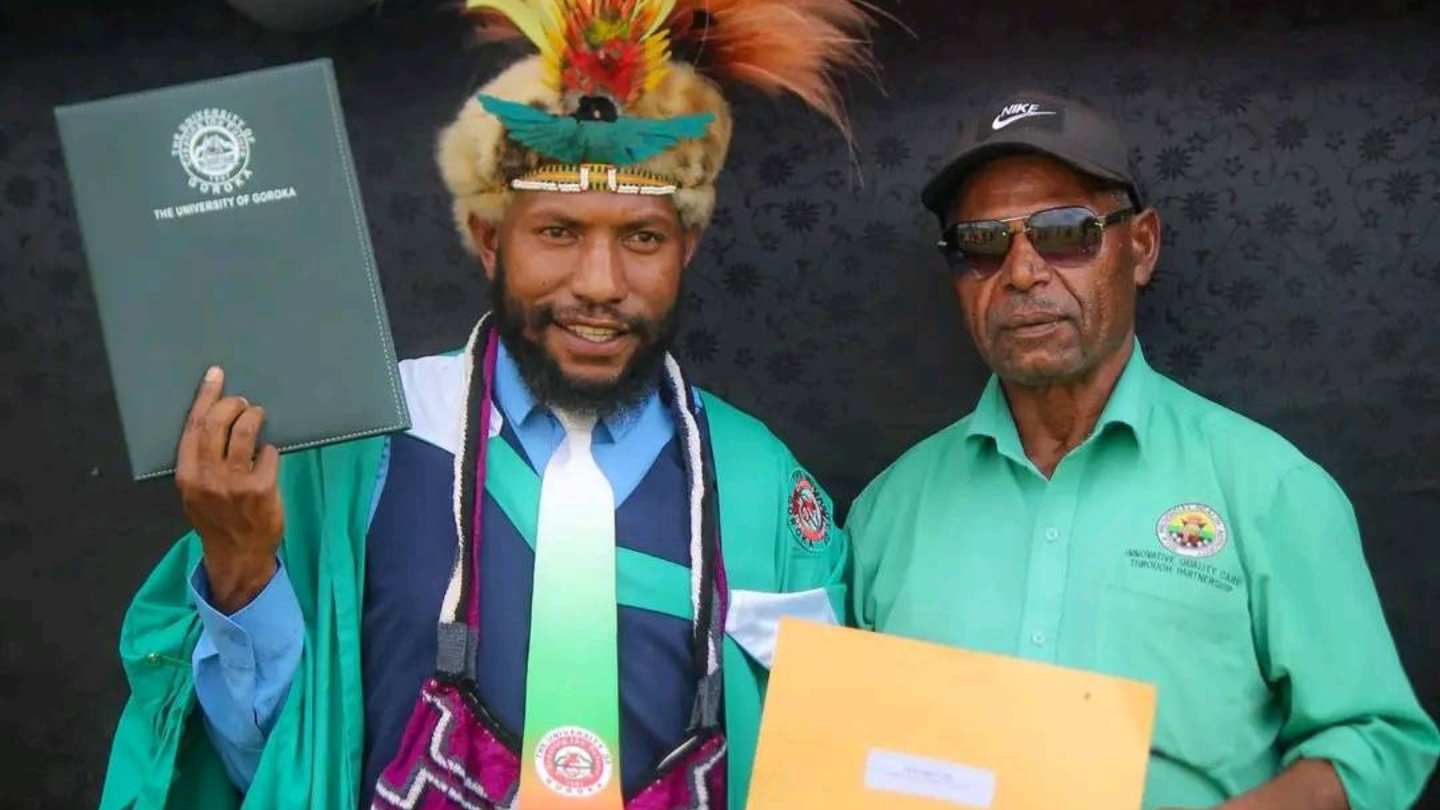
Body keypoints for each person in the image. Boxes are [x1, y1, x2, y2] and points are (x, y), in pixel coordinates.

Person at [99, 2, 878, 808]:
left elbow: (821, 772)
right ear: (488, 238)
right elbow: (265, 762)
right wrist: (239, 568)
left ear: (688, 247)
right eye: (558, 232)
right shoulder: (366, 439)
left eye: (642, 237)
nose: (600, 283)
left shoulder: (760, 488)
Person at [846, 89, 1439, 809]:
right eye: (982, 241)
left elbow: (1377, 739)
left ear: (1141, 246)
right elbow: (840, 750)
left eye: (1065, 232)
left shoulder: (1269, 487)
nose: (1024, 271)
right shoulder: (886, 513)